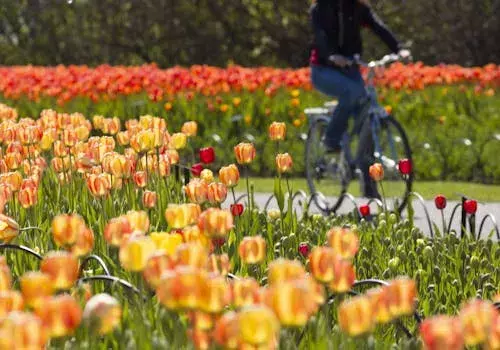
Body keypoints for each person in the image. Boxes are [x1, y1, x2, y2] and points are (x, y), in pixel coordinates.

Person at [309, 0, 409, 198]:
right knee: (352, 93)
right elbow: (320, 36)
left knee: (368, 117)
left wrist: (399, 48)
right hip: (323, 69)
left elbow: (379, 28)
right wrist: (332, 55)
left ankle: (368, 179)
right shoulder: (320, 8)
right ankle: (331, 139)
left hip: (350, 68)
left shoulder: (358, 9)